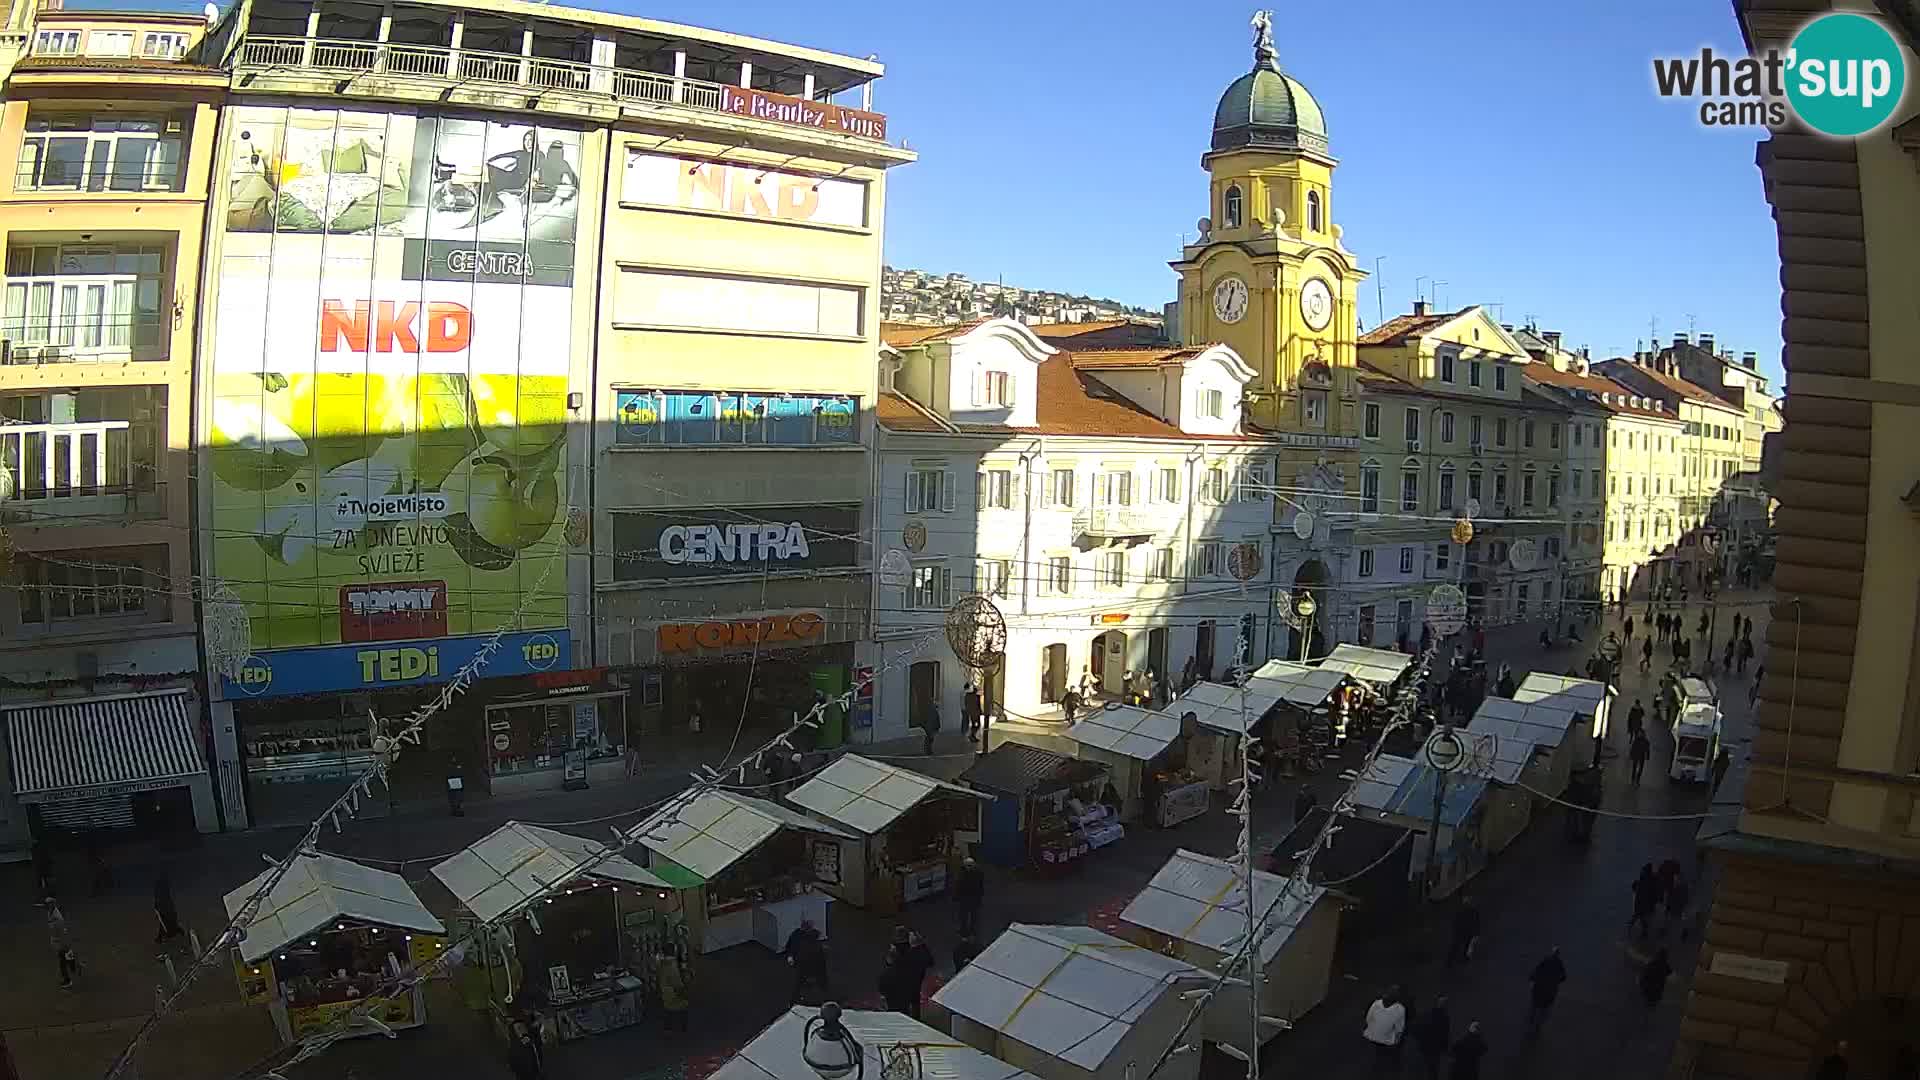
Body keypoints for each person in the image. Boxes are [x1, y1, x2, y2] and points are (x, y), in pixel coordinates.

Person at [1361, 986, 1406, 1071]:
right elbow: (1399, 1028)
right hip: (1386, 1040)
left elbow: (1368, 1018)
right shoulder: (1400, 1009)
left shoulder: (1376, 1003)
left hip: (1371, 1035)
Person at [785, 918, 828, 1004]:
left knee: (800, 981)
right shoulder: (810, 939)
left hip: (802, 963)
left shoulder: (795, 935)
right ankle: (825, 997)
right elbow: (819, 958)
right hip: (807, 964)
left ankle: (795, 1000)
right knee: (818, 980)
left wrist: (790, 956)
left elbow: (789, 947)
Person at [1526, 947, 1566, 1033]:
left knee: (1534, 1006)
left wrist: (1532, 978)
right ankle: (1538, 1025)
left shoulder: (1545, 961)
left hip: (1539, 987)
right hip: (1550, 990)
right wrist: (1556, 981)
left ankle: (1531, 1022)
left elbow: (1536, 970)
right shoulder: (1560, 964)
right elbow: (1563, 977)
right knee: (1544, 1009)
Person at [1414, 996, 1451, 1080]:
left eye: (1445, 1002)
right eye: (1442, 1002)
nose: (1443, 1004)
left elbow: (1445, 1033)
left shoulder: (1444, 1017)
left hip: (1434, 1047)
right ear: (1437, 1002)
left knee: (1432, 1069)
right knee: (1430, 1069)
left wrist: (1445, 1047)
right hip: (1429, 1046)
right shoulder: (1431, 1014)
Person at [655, 949, 689, 1032]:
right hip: (674, 996)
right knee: (683, 1007)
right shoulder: (672, 966)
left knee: (667, 1010)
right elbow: (678, 985)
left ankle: (668, 1026)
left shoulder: (660, 964)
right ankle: (683, 1027)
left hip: (665, 994)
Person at [48, 899, 79, 990]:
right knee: (68, 956)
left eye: (49, 904)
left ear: (53, 904)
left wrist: (64, 945)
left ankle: (67, 981)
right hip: (60, 942)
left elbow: (62, 933)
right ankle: (74, 966)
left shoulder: (58, 919)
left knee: (62, 963)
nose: (47, 906)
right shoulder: (51, 913)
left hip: (61, 943)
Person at [954, 856, 985, 936]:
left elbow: (959, 885)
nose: (968, 867)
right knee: (967, 915)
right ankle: (966, 930)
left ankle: (970, 930)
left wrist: (957, 896)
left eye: (970, 866)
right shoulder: (978, 872)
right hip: (969, 898)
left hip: (969, 898)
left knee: (971, 915)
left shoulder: (965, 874)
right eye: (967, 866)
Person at [1447, 894, 1481, 966]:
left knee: (1458, 946)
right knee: (1463, 946)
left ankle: (1452, 960)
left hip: (1464, 931)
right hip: (1466, 932)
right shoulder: (1472, 912)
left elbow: (1457, 921)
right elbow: (1476, 923)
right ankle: (1461, 959)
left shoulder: (1464, 911)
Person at [1630, 867, 1662, 939]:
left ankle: (1641, 930)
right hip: (1647, 906)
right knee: (1644, 919)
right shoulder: (1649, 881)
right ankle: (1643, 931)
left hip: (1644, 906)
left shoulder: (1644, 883)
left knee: (1642, 918)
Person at [153, 873, 183, 944]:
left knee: (165, 920)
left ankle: (160, 938)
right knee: (165, 920)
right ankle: (160, 938)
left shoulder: (163, 891)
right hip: (166, 906)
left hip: (166, 906)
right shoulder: (162, 892)